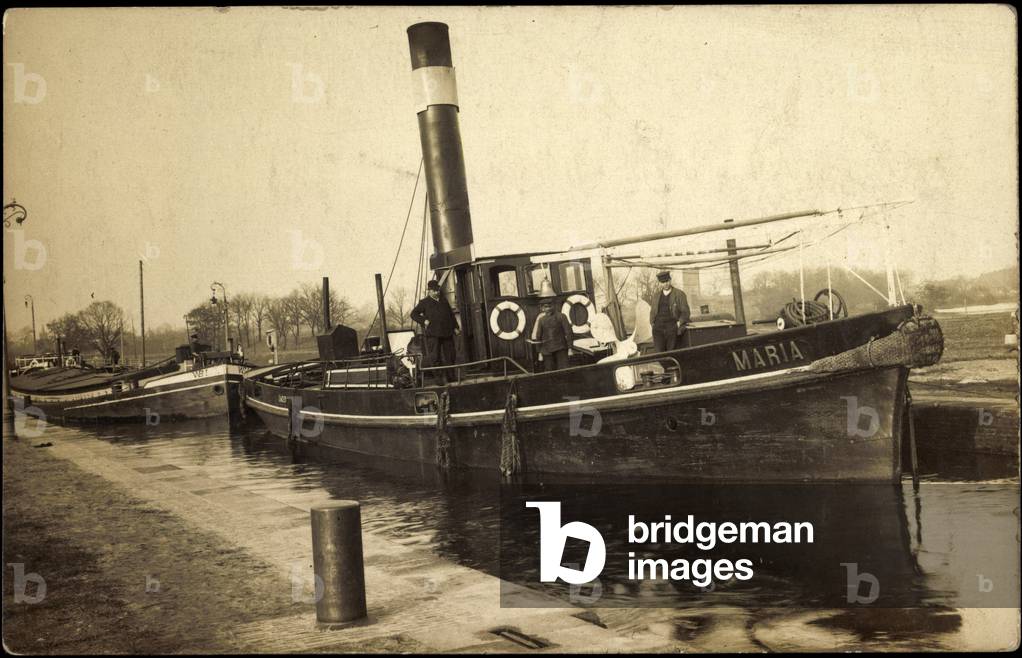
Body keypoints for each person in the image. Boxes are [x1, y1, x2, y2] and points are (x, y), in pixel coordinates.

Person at [410, 280, 459, 384]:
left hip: (447, 332)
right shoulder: (424, 302)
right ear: (429, 291)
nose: (437, 292)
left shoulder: (443, 300)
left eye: (437, 290)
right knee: (435, 357)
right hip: (433, 334)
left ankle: (451, 378)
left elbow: (450, 314)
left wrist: (455, 327)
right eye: (434, 291)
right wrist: (424, 320)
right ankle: (439, 379)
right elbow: (413, 314)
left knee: (450, 355)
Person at [647, 270, 690, 353]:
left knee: (672, 353)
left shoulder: (679, 294)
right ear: (659, 283)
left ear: (670, 280)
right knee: (659, 353)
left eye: (667, 281)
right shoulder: (656, 296)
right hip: (658, 328)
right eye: (662, 282)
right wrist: (652, 323)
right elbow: (652, 312)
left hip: (672, 327)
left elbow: (686, 312)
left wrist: (678, 324)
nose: (665, 284)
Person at [530, 298, 574, 371]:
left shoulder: (561, 316)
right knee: (549, 371)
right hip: (547, 351)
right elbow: (539, 336)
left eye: (549, 306)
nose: (548, 309)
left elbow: (569, 332)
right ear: (542, 309)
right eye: (545, 307)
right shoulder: (541, 320)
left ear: (553, 306)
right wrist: (539, 352)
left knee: (564, 371)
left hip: (561, 349)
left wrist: (570, 348)